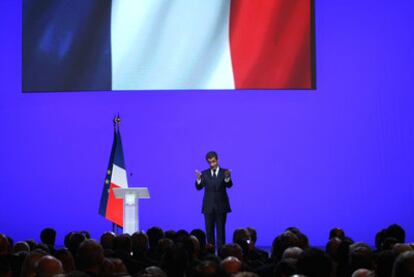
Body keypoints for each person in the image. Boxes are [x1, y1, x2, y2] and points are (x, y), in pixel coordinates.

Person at [195, 151, 233, 250]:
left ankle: (221, 254)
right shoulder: (204, 173)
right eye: (210, 162)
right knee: (209, 233)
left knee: (221, 232)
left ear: (217, 160)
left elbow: (229, 185)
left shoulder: (225, 172)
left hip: (221, 206)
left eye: (214, 161)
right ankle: (210, 256)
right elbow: (199, 187)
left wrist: (227, 178)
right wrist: (198, 179)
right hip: (208, 207)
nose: (212, 164)